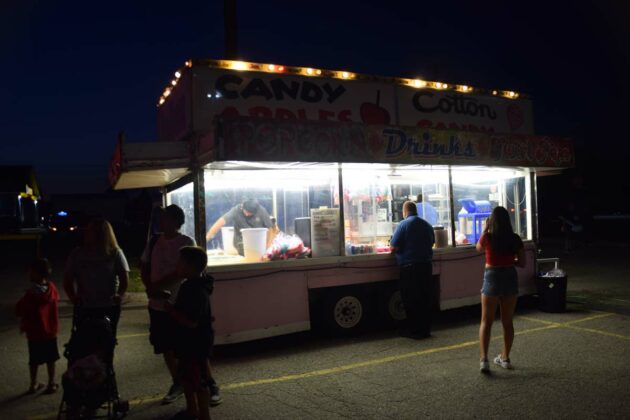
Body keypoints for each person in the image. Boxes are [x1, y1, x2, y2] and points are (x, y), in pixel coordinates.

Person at [141, 205, 222, 406]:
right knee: (166, 347)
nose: (162, 221)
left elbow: (183, 272)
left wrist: (157, 287)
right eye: (162, 218)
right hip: (157, 305)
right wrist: (150, 288)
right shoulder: (154, 241)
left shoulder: (186, 242)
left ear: (177, 221)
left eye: (166, 218)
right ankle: (179, 383)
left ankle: (208, 384)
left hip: (180, 304)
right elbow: (145, 266)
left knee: (192, 351)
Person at [165, 246, 214, 420]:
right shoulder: (191, 285)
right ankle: (192, 409)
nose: (176, 265)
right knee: (186, 377)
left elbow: (191, 321)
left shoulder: (196, 289)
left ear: (191, 266)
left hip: (195, 343)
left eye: (180, 262)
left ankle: (204, 415)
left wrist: (170, 310)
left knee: (198, 381)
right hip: (187, 342)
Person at [476, 206, 526, 373]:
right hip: (510, 276)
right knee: (507, 321)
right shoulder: (515, 239)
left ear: (492, 220)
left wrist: (485, 228)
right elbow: (522, 263)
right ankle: (505, 358)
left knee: (486, 321)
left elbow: (478, 248)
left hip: (492, 276)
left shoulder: (488, 237)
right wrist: (509, 261)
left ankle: (484, 360)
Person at [63, 218, 129, 337]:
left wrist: (119, 295)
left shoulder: (115, 253)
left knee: (107, 341)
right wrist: (72, 297)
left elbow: (124, 278)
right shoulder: (78, 253)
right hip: (85, 306)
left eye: (92, 231)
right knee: (85, 342)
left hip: (108, 306)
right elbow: (68, 278)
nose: (88, 233)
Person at [390, 201, 435, 339]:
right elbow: (432, 242)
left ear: (404, 212)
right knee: (424, 298)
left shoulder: (403, 224)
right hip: (426, 267)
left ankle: (415, 331)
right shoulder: (427, 225)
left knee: (411, 299)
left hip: (410, 268)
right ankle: (425, 330)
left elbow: (393, 247)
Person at [16, 258, 60, 394]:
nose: (29, 274)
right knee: (51, 358)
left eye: (31, 271)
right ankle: (51, 383)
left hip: (35, 332)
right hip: (50, 331)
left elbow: (20, 309)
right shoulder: (52, 290)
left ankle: (33, 384)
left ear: (37, 273)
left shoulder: (30, 294)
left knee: (34, 359)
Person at [205, 198, 272, 256]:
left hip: (258, 244)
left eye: (250, 213)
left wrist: (268, 246)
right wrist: (207, 238)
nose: (247, 214)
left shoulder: (261, 211)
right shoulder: (236, 210)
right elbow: (220, 223)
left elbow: (271, 229)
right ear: (242, 206)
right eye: (246, 211)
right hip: (240, 244)